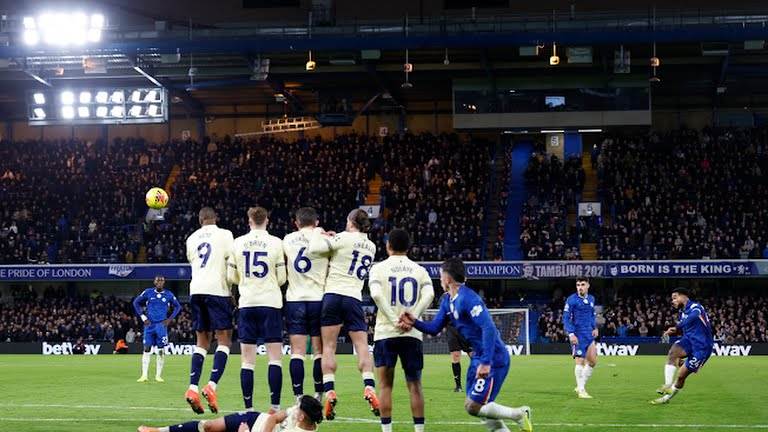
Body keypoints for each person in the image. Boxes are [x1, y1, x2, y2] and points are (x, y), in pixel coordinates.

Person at [400, 258, 532, 432]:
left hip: (493, 358)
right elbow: (434, 328)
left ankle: (519, 414)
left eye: (441, 276)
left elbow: (488, 327)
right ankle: (515, 418)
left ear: (447, 278)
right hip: (478, 357)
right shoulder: (447, 301)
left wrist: (486, 362)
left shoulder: (469, 298)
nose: (440, 280)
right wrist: (414, 321)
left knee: (473, 406)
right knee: (478, 407)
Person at [308, 208, 379, 420]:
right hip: (354, 298)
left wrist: (319, 232)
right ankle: (369, 386)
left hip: (332, 295)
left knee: (329, 347)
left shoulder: (343, 237)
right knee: (362, 345)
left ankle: (329, 390)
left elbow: (314, 249)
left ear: (351, 222)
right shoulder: (372, 246)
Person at [368, 228, 435, 432]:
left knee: (385, 386)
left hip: (386, 333)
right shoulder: (419, 270)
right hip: (412, 334)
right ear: (409, 247)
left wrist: (394, 319)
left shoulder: (378, 268)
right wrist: (412, 317)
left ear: (388, 245)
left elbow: (376, 295)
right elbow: (430, 294)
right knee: (415, 385)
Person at [231, 207, 287, 412]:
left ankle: (249, 410)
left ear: (249, 221)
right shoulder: (276, 242)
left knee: (247, 361)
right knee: (275, 358)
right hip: (270, 303)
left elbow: (231, 277)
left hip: (247, 303)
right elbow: (282, 278)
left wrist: (245, 282)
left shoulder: (237, 242)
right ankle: (275, 408)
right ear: (267, 220)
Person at [185, 207, 236, 414]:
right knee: (224, 339)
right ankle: (211, 386)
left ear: (200, 220)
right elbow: (231, 264)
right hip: (217, 290)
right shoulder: (225, 235)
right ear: (216, 218)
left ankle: (192, 388)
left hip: (196, 290)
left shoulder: (191, 238)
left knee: (202, 341)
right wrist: (232, 291)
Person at [283, 207, 328, 401]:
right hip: (318, 298)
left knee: (297, 352)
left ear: (296, 223)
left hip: (295, 300)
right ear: (316, 222)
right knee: (319, 351)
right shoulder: (324, 240)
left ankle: (298, 397)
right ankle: (318, 395)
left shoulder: (287, 239)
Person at [652, 287, 714, 405]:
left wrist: (677, 327)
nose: (673, 301)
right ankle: (667, 385)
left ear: (683, 296)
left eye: (675, 298)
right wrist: (677, 331)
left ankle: (666, 399)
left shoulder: (696, 307)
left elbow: (694, 316)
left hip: (702, 346)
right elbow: (687, 328)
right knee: (673, 352)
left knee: (681, 377)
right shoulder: (682, 313)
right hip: (688, 340)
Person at [137, 394, 323, 432]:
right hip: (253, 419)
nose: (294, 408)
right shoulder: (301, 413)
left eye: (297, 408)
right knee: (208, 426)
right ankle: (159, 430)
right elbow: (274, 417)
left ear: (302, 417)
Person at [132, 275, 181, 383]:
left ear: (164, 282)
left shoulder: (168, 294)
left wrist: (169, 319)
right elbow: (136, 302)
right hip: (149, 324)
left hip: (161, 325)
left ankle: (158, 376)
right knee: (147, 348)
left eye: (162, 280)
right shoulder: (148, 292)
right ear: (154, 282)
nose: (160, 282)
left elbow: (178, 306)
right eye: (158, 280)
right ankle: (144, 375)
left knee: (161, 350)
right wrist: (143, 316)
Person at [563, 277, 598, 399]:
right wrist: (571, 334)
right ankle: (581, 390)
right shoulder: (571, 300)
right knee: (580, 362)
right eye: (578, 285)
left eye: (582, 284)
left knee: (592, 362)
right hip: (577, 334)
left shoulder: (591, 298)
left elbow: (592, 315)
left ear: (588, 285)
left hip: (589, 334)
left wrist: (594, 327)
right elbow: (566, 318)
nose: (580, 287)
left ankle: (580, 386)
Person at [446, 323, 473, 392]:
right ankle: (458, 386)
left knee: (473, 355)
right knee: (455, 355)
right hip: (451, 330)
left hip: (465, 328)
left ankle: (482, 382)